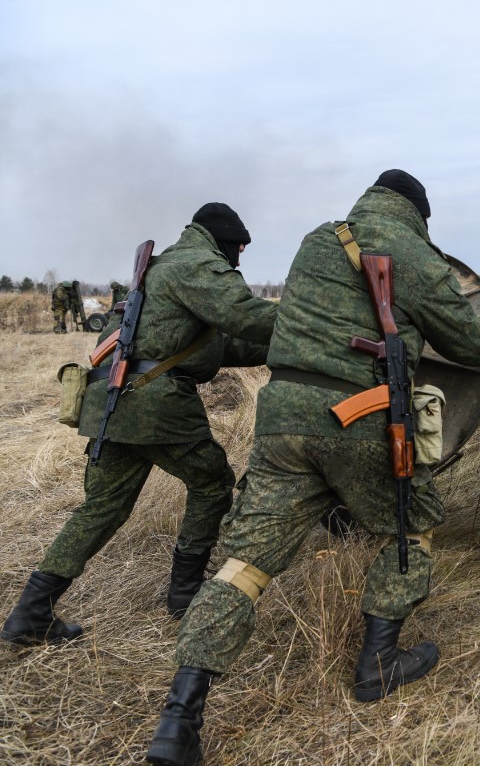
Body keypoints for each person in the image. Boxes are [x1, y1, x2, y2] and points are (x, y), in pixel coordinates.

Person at [144, 170, 480, 766]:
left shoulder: (317, 240)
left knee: (244, 564)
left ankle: (177, 720)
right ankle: (378, 664)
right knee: (410, 525)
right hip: (359, 419)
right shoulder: (413, 253)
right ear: (417, 212)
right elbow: (471, 343)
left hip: (281, 422)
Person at [1, 203, 278, 646]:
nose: (242, 252)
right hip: (154, 407)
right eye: (240, 244)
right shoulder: (197, 264)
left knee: (101, 508)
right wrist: (319, 323)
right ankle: (184, 594)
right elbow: (249, 317)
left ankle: (30, 613)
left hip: (111, 403)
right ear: (226, 239)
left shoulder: (161, 270)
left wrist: (280, 351)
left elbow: (209, 348)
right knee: (211, 482)